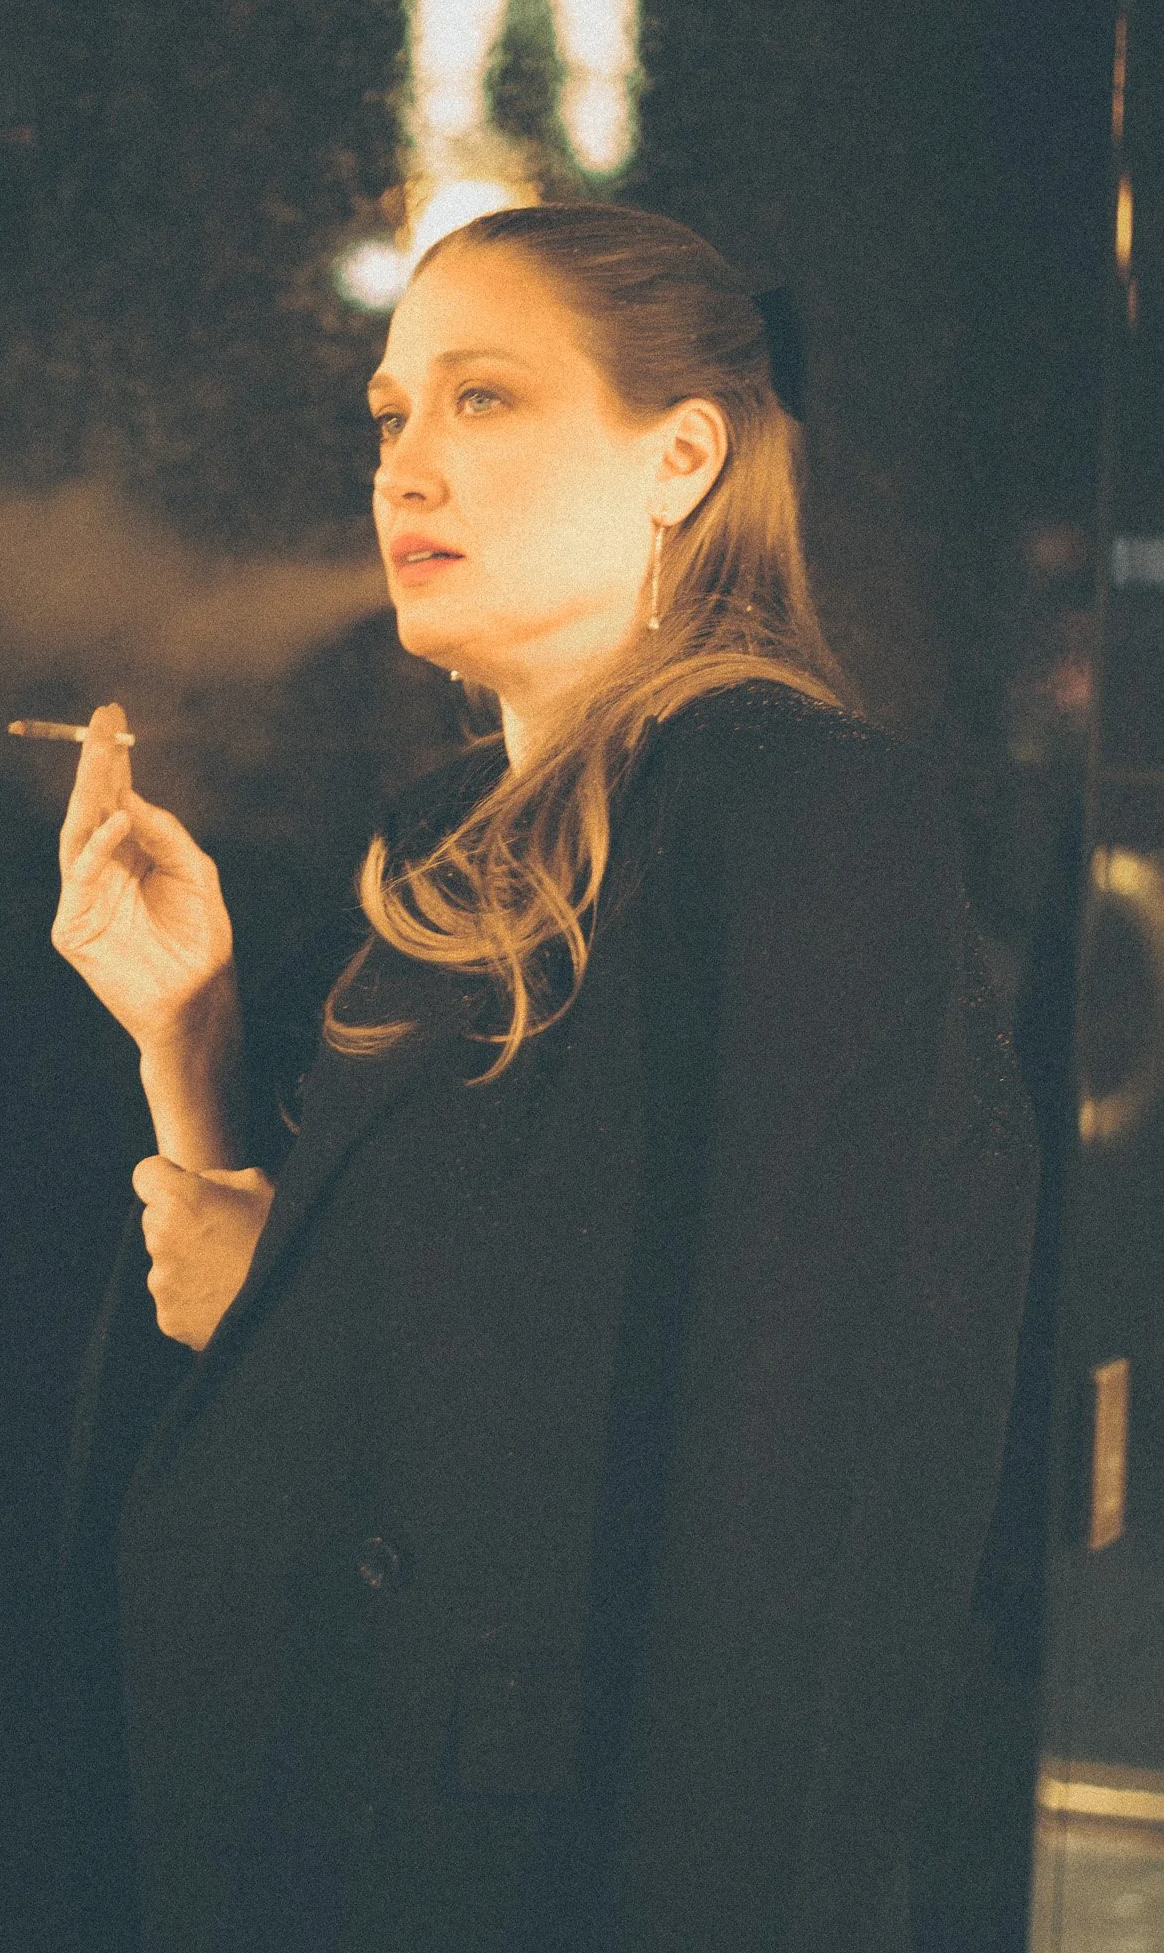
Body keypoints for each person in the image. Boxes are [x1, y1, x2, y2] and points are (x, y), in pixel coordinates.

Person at [53, 201, 1042, 1952]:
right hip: (320, 1807)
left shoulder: (801, 816)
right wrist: (186, 1038)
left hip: (537, 1867)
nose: (407, 465)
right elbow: (319, 1341)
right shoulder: (448, 837)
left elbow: (800, 1472)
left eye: (485, 398)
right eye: (390, 414)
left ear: (681, 457)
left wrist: (275, 1302)